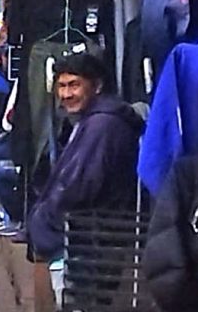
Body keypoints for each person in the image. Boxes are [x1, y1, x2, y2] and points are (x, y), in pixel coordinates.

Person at [27, 52, 144, 261]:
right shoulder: (92, 121)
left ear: (97, 87)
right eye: (61, 86)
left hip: (89, 243)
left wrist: (43, 219)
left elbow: (77, 185)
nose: (66, 94)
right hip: (87, 239)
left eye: (74, 85)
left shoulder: (102, 126)